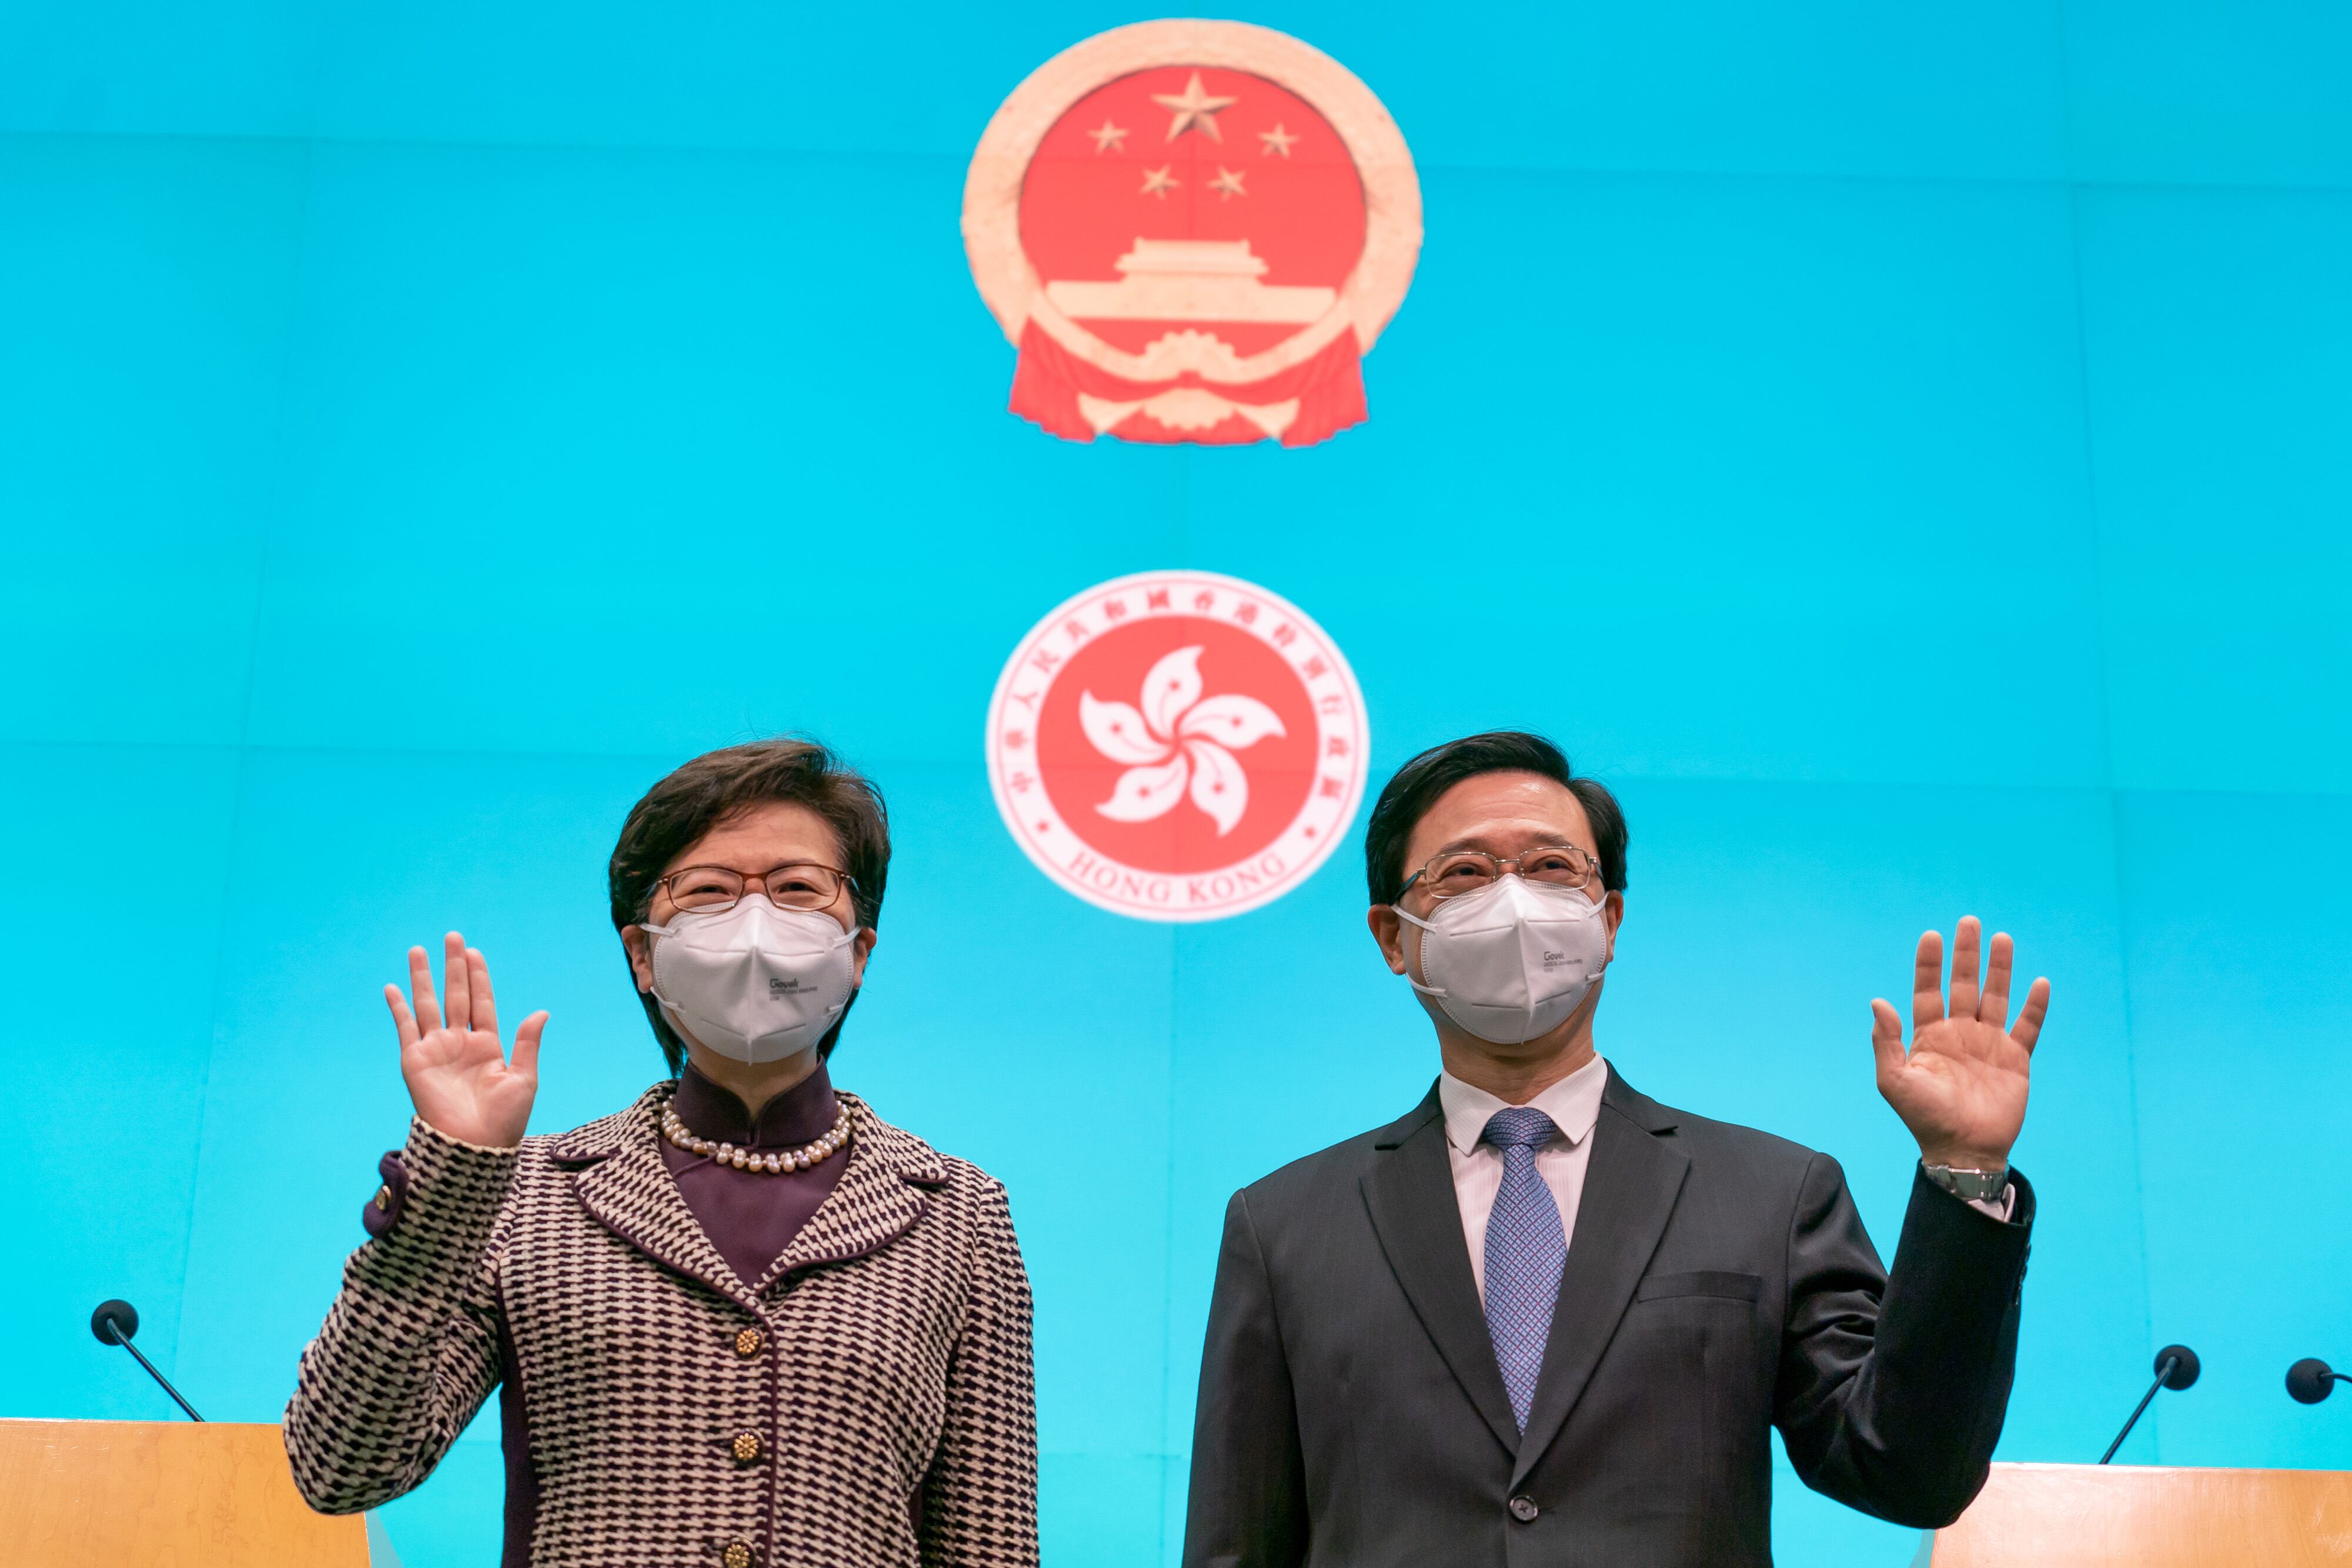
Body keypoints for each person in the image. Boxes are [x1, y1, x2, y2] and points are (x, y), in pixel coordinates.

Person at [1182, 731, 2047, 1568]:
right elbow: (1236, 1545)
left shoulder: (1771, 1194)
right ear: (1393, 937)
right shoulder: (1285, 1225)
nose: (1513, 899)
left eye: (1553, 867)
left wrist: (1964, 1172)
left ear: (1610, 919)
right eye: (1466, 873)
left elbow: (1907, 1473)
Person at [285, 739, 1038, 1568]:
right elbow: (339, 1469)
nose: (756, 928)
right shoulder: (532, 1193)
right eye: (710, 892)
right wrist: (453, 1177)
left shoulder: (958, 1212)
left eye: (796, 889)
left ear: (858, 953)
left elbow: (988, 1544)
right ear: (643, 955)